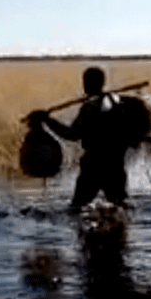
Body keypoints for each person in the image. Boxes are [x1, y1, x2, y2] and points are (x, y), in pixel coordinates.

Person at [28, 67, 130, 211]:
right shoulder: (115, 100)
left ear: (89, 82)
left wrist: (48, 120)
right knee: (120, 206)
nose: (84, 85)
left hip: (94, 166)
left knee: (76, 209)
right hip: (116, 164)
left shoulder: (90, 107)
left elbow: (72, 134)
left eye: (85, 81)